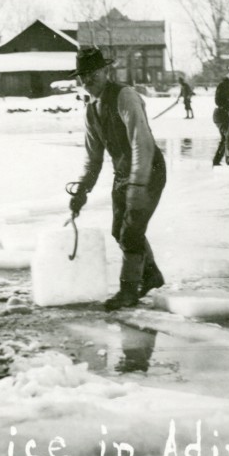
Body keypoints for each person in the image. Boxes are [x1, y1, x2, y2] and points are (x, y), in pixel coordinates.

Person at [67, 47, 166, 311]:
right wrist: (81, 190)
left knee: (131, 231)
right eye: (83, 75)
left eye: (93, 73)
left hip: (149, 169)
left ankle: (128, 291)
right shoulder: (91, 111)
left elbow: (141, 143)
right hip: (123, 173)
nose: (88, 80)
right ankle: (151, 275)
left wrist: (138, 184)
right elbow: (93, 159)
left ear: (105, 71)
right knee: (119, 230)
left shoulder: (125, 96)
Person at [212, 71, 229, 166]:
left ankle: (217, 161)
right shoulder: (223, 85)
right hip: (220, 115)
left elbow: (226, 95)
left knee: (226, 138)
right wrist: (227, 110)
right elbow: (219, 99)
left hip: (223, 115)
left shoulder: (227, 85)